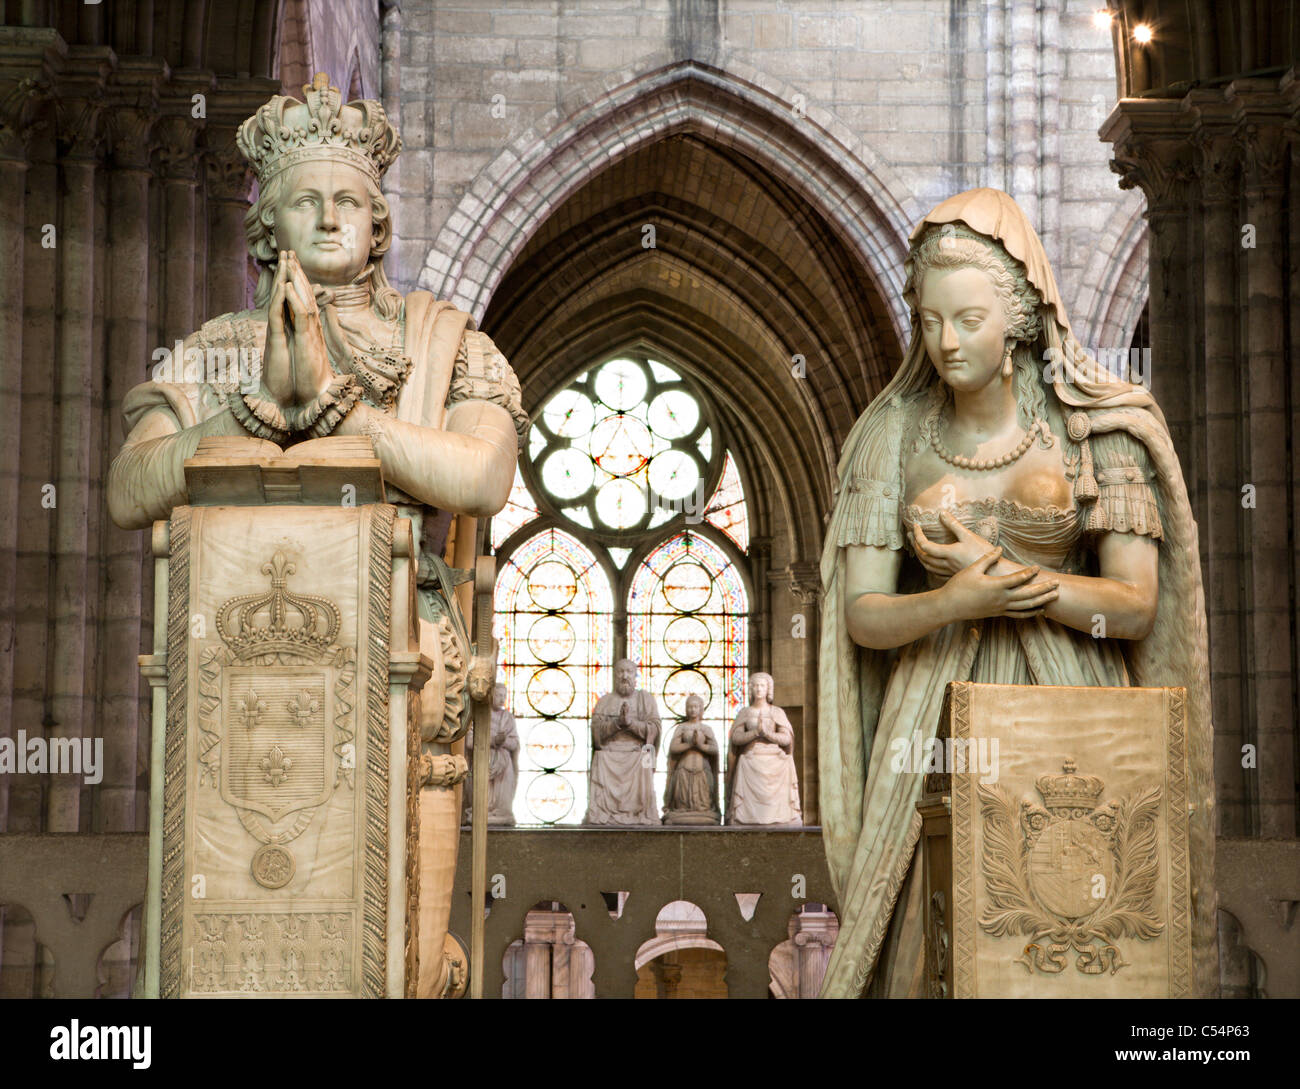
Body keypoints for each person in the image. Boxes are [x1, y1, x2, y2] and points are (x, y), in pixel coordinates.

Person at [817, 188, 1215, 997]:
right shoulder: (891, 435)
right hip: (934, 712)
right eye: (929, 322)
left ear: (1019, 321)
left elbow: (1135, 606)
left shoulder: (1096, 430)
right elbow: (862, 615)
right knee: (932, 938)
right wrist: (953, 602)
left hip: (1076, 703)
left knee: (1085, 921)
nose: (945, 343)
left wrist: (1007, 585)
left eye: (967, 320)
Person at [584, 659, 661, 825]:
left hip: (637, 752)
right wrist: (617, 724)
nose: (624, 676)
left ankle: (642, 813)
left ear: (635, 676)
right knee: (600, 756)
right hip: (610, 754)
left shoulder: (645, 699)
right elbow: (596, 734)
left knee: (646, 760)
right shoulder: (604, 701)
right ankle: (602, 813)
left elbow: (654, 729)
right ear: (614, 676)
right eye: (620, 672)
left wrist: (631, 724)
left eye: (629, 672)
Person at [725, 673, 801, 826]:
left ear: (768, 689)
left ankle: (784, 816)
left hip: (774, 758)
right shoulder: (745, 713)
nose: (759, 689)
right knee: (744, 760)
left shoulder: (777, 712)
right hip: (752, 757)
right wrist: (755, 733)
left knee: (785, 762)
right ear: (751, 689)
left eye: (762, 685)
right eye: (755, 685)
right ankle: (744, 817)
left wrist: (767, 733)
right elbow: (736, 738)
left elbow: (786, 739)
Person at [663, 693, 720, 824]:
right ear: (686, 709)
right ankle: (681, 809)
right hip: (684, 769)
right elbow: (673, 748)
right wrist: (689, 744)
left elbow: (714, 749)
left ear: (701, 709)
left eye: (696, 707)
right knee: (682, 800)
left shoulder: (706, 729)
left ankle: (703, 811)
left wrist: (700, 745)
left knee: (703, 801)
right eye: (690, 707)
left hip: (702, 769)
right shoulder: (682, 728)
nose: (693, 710)